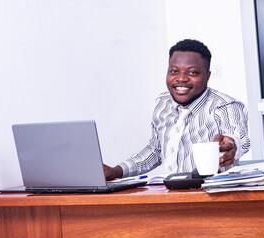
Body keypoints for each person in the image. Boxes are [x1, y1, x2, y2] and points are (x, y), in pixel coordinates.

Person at [104, 39, 250, 180]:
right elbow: (156, 151)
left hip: (212, 197)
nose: (181, 78)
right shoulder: (163, 103)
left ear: (207, 76)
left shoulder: (225, 105)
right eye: (174, 71)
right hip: (171, 195)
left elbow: (239, 138)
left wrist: (232, 145)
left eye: (192, 72)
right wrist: (117, 171)